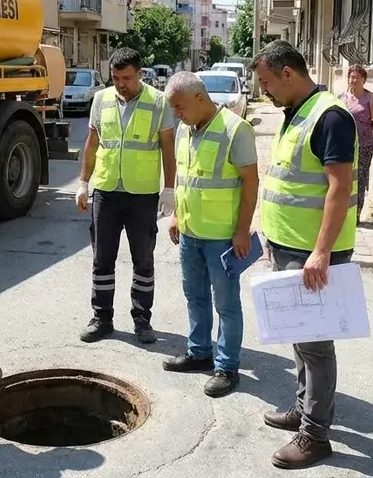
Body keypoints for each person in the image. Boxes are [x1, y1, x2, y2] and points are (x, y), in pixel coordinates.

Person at [253, 40, 358, 470]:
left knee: (314, 344)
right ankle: (303, 409)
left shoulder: (330, 116)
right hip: (287, 245)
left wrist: (321, 252)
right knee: (297, 335)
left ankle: (315, 436)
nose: (264, 92)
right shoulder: (296, 111)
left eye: (266, 83)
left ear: (288, 73)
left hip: (311, 251)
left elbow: (339, 187)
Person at [161, 71, 259, 398]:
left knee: (226, 303)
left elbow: (250, 183)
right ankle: (199, 352)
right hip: (190, 233)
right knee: (195, 296)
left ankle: (227, 367)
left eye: (179, 106)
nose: (176, 114)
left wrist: (242, 230)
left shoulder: (236, 129)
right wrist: (175, 215)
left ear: (200, 99)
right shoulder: (184, 130)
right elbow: (184, 179)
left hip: (222, 237)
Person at [76, 48, 177, 345]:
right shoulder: (101, 99)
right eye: (116, 77)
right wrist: (83, 182)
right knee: (102, 259)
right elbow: (92, 144)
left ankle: (142, 319)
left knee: (143, 260)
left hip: (142, 195)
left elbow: (168, 150)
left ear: (140, 74)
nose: (121, 84)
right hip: (106, 191)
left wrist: (169, 188)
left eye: (127, 78)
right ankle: (102, 318)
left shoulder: (158, 102)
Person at [339, 64, 373, 221]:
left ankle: (356, 214)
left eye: (357, 77)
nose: (354, 80)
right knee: (343, 178)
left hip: (363, 146)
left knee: (360, 179)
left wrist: (362, 130)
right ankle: (343, 211)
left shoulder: (370, 98)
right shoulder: (341, 98)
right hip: (343, 145)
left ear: (364, 79)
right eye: (351, 76)